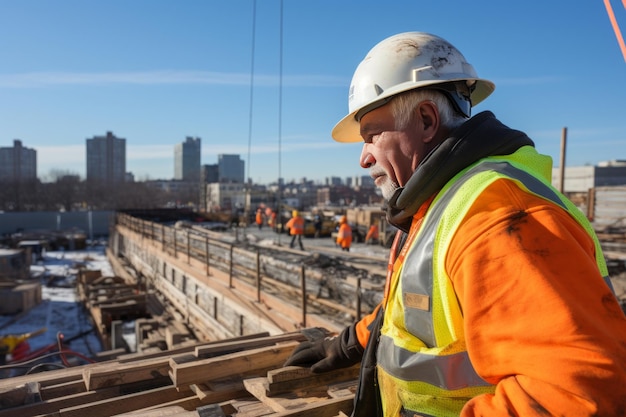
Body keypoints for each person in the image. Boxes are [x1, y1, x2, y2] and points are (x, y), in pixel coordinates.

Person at [284, 32, 626, 417]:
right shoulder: (442, 204)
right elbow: (419, 313)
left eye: (371, 135)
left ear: (427, 119)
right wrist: (353, 341)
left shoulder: (496, 217)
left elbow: (580, 394)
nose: (363, 158)